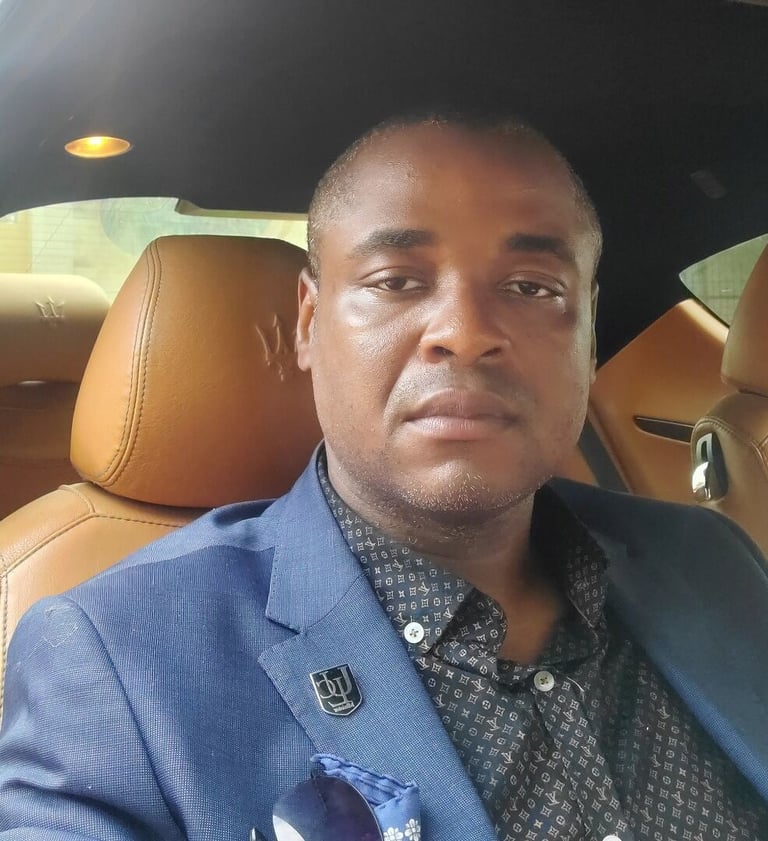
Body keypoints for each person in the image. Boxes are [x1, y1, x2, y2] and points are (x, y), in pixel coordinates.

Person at [0, 113, 766, 841]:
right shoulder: (117, 660)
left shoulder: (711, 559)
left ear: (589, 333)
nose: (464, 332)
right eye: (396, 280)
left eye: (532, 286)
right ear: (308, 322)